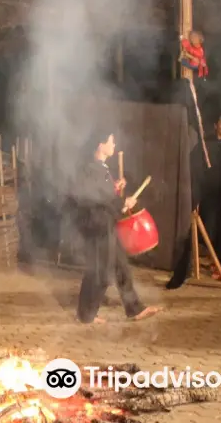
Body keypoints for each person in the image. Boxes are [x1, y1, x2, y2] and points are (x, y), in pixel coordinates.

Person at [69, 130, 159, 324]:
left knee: (121, 267)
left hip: (106, 222)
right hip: (97, 224)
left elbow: (103, 194)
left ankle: (134, 308)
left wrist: (115, 188)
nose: (114, 145)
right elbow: (96, 198)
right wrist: (123, 203)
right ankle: (85, 315)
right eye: (111, 141)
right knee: (99, 272)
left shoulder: (100, 168)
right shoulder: (91, 168)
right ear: (100, 145)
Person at [167, 113, 221, 288]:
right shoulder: (205, 143)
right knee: (209, 226)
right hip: (209, 194)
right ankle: (211, 259)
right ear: (216, 125)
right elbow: (193, 165)